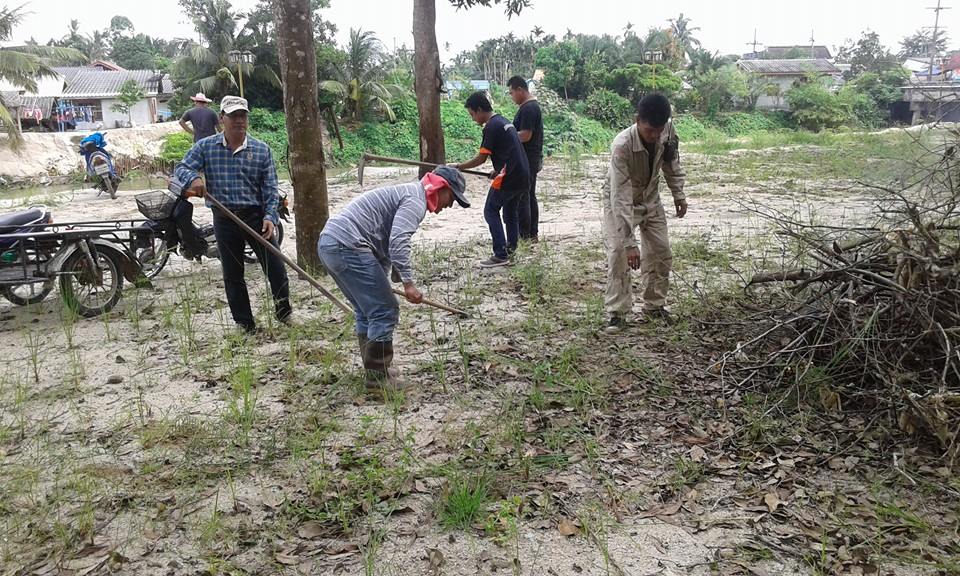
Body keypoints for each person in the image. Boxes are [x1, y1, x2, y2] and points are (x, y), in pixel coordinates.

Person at [318, 166, 470, 393]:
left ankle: (375, 370)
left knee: (366, 311)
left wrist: (385, 279)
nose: (450, 204)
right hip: (347, 245)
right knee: (385, 311)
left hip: (330, 244)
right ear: (441, 187)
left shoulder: (407, 193)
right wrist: (408, 283)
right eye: (452, 198)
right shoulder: (415, 201)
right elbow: (398, 241)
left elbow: (385, 247)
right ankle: (377, 382)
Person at [174, 95, 291, 334]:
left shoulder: (261, 150)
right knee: (233, 274)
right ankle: (244, 324)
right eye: (233, 115)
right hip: (224, 218)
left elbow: (270, 188)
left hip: (256, 218)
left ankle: (284, 313)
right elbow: (182, 167)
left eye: (242, 115)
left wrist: (270, 217)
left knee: (276, 267)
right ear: (222, 119)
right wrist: (195, 178)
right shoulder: (206, 147)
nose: (239, 120)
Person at [602, 93, 688, 334]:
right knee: (618, 253)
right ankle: (617, 313)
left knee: (661, 251)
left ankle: (655, 306)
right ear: (637, 120)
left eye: (659, 130)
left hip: (650, 196)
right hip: (620, 198)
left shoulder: (667, 132)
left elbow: (672, 163)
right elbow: (620, 196)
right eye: (650, 130)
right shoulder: (621, 146)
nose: (655, 136)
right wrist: (629, 243)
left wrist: (678, 194)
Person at [454, 91, 530, 268]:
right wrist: (497, 170)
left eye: (472, 114)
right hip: (522, 174)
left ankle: (500, 254)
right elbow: (509, 151)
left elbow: (481, 158)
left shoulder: (491, 126)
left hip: (510, 177)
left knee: (490, 210)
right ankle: (511, 251)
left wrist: (459, 166)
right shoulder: (503, 121)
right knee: (510, 213)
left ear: (480, 110)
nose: (473, 119)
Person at [507, 76, 544, 242]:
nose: (511, 96)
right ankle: (532, 233)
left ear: (520, 90)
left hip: (528, 158)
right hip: (531, 157)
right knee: (529, 194)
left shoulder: (528, 108)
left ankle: (525, 234)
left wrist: (507, 135)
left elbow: (526, 135)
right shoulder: (529, 106)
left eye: (512, 92)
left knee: (524, 196)